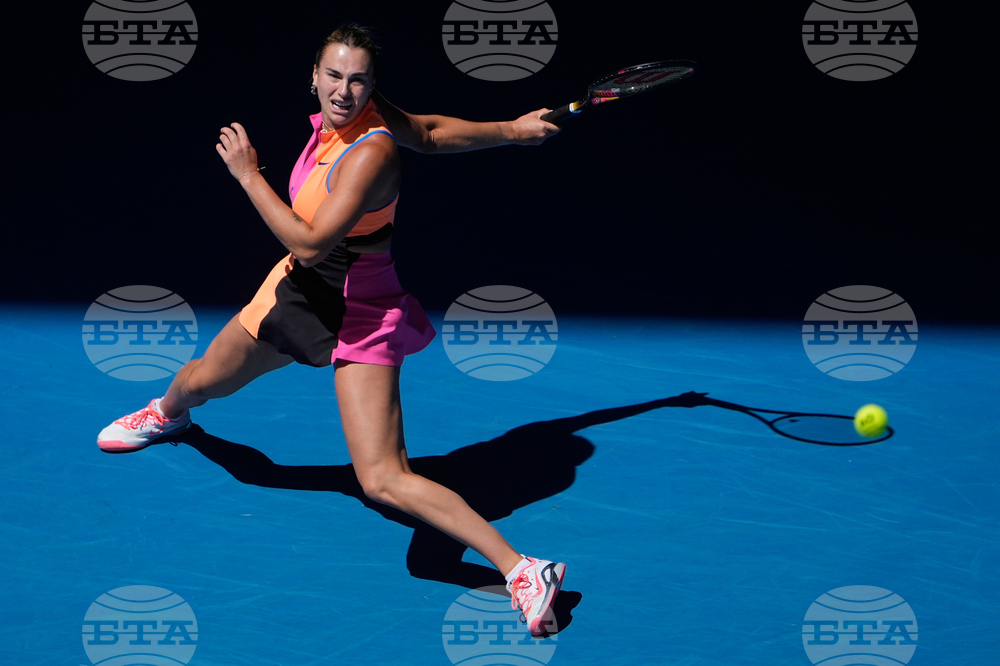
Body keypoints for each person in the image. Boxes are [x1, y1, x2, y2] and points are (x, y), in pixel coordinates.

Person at [96, 24, 565, 636]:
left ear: (373, 86)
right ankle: (167, 414)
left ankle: (522, 569)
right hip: (297, 291)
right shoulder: (338, 119)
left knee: (382, 480)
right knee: (203, 381)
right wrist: (513, 129)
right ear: (314, 78)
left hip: (360, 307)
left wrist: (246, 174)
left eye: (359, 79)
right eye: (334, 76)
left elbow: (313, 243)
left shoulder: (370, 149)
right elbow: (429, 130)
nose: (344, 91)